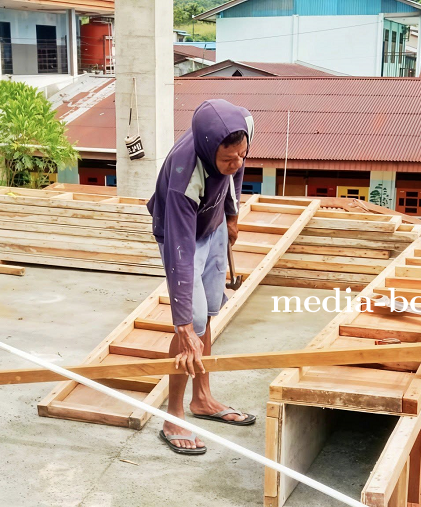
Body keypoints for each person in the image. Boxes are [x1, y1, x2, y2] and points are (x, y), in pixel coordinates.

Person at [147, 99, 257, 456]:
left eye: (241, 155)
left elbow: (235, 172)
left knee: (208, 311)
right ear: (210, 150)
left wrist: (232, 214)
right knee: (191, 323)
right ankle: (173, 415)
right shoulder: (184, 176)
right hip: (183, 236)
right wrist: (181, 326)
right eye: (227, 159)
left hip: (213, 223)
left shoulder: (239, 134)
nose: (236, 163)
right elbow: (179, 256)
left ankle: (203, 399)